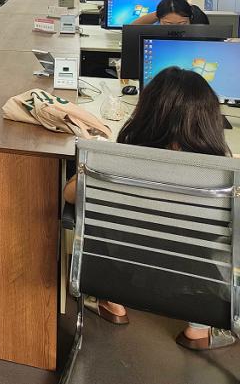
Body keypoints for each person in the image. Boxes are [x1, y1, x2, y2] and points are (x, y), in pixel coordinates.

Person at [63, 67, 234, 350]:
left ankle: (113, 303)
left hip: (124, 271)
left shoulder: (113, 162)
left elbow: (70, 195)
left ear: (144, 113)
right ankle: (200, 329)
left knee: (92, 210)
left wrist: (87, 160)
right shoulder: (225, 180)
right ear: (210, 121)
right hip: (198, 284)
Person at [131, 0, 210, 26]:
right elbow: (132, 29)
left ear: (190, 19)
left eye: (182, 24)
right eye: (168, 24)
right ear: (159, 20)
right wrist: (162, 11)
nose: (175, 29)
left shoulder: (197, 30)